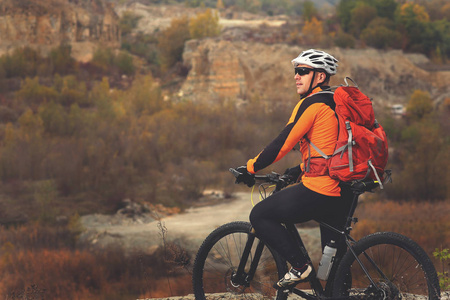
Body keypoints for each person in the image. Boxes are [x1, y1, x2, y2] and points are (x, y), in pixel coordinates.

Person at [234, 49, 352, 289]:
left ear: (320, 77)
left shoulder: (312, 104)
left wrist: (250, 168)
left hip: (322, 190)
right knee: (336, 268)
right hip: (345, 189)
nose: (296, 76)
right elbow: (331, 149)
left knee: (259, 215)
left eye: (302, 71)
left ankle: (299, 266)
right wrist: (299, 168)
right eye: (295, 71)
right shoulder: (336, 102)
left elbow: (283, 142)